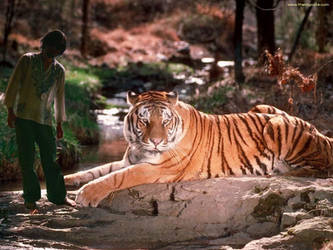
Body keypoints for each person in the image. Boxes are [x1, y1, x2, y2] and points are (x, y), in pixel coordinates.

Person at [4, 30, 76, 210]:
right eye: (51, 46)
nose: (52, 51)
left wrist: (59, 123)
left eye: (57, 49)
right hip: (23, 117)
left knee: (50, 159)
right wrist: (10, 110)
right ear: (44, 44)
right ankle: (30, 197)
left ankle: (58, 197)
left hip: (45, 120)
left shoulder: (59, 70)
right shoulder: (27, 60)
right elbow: (13, 85)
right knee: (26, 159)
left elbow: (60, 98)